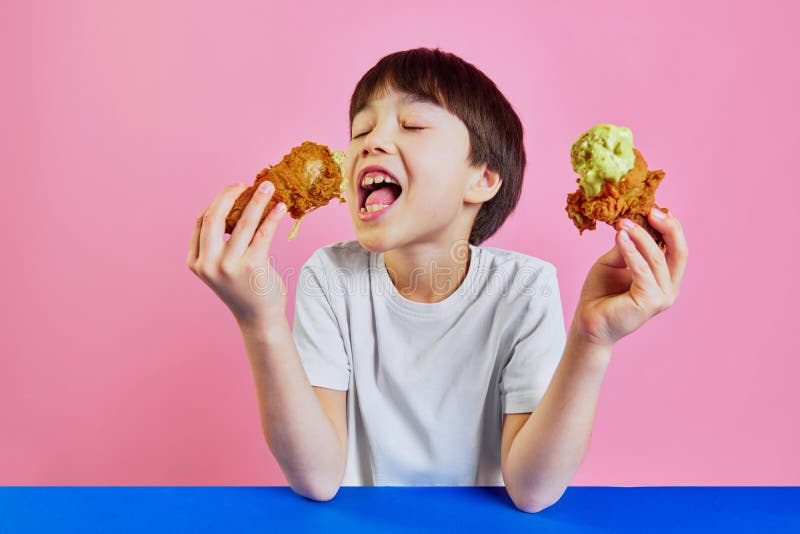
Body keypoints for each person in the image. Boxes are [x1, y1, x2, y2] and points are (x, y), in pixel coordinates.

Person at [186, 47, 688, 513]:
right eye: (360, 131)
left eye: (413, 124)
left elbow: (533, 492)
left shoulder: (524, 288)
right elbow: (318, 477)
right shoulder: (330, 276)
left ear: (483, 179)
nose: (371, 143)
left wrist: (592, 341)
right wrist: (260, 322)